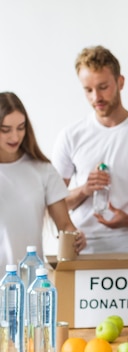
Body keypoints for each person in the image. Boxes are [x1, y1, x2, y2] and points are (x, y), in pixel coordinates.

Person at [52, 45, 128, 253]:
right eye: (88, 90)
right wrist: (85, 189)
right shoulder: (71, 136)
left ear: (120, 82)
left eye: (103, 87)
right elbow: (55, 204)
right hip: (80, 248)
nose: (96, 97)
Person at [0, 92, 87, 269]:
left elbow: (65, 225)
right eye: (5, 130)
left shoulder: (43, 170)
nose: (15, 137)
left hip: (30, 283)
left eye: (21, 127)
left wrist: (75, 238)